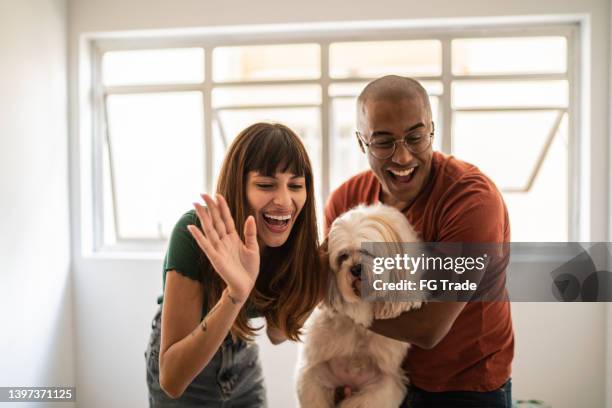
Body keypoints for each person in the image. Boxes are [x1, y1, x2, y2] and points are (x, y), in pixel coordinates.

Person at [325, 75, 514, 407]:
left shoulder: (472, 201)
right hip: (381, 376)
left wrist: (338, 301)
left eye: (415, 137)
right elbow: (328, 289)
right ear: (361, 142)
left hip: (466, 387)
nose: (402, 157)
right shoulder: (347, 202)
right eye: (383, 142)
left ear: (432, 130)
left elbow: (430, 328)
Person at [144, 122, 324, 407]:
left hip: (242, 357)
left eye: (296, 186)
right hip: (188, 359)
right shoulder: (196, 232)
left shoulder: (290, 245)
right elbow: (172, 380)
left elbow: (277, 334)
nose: (284, 201)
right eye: (265, 185)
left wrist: (318, 282)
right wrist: (235, 294)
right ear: (237, 187)